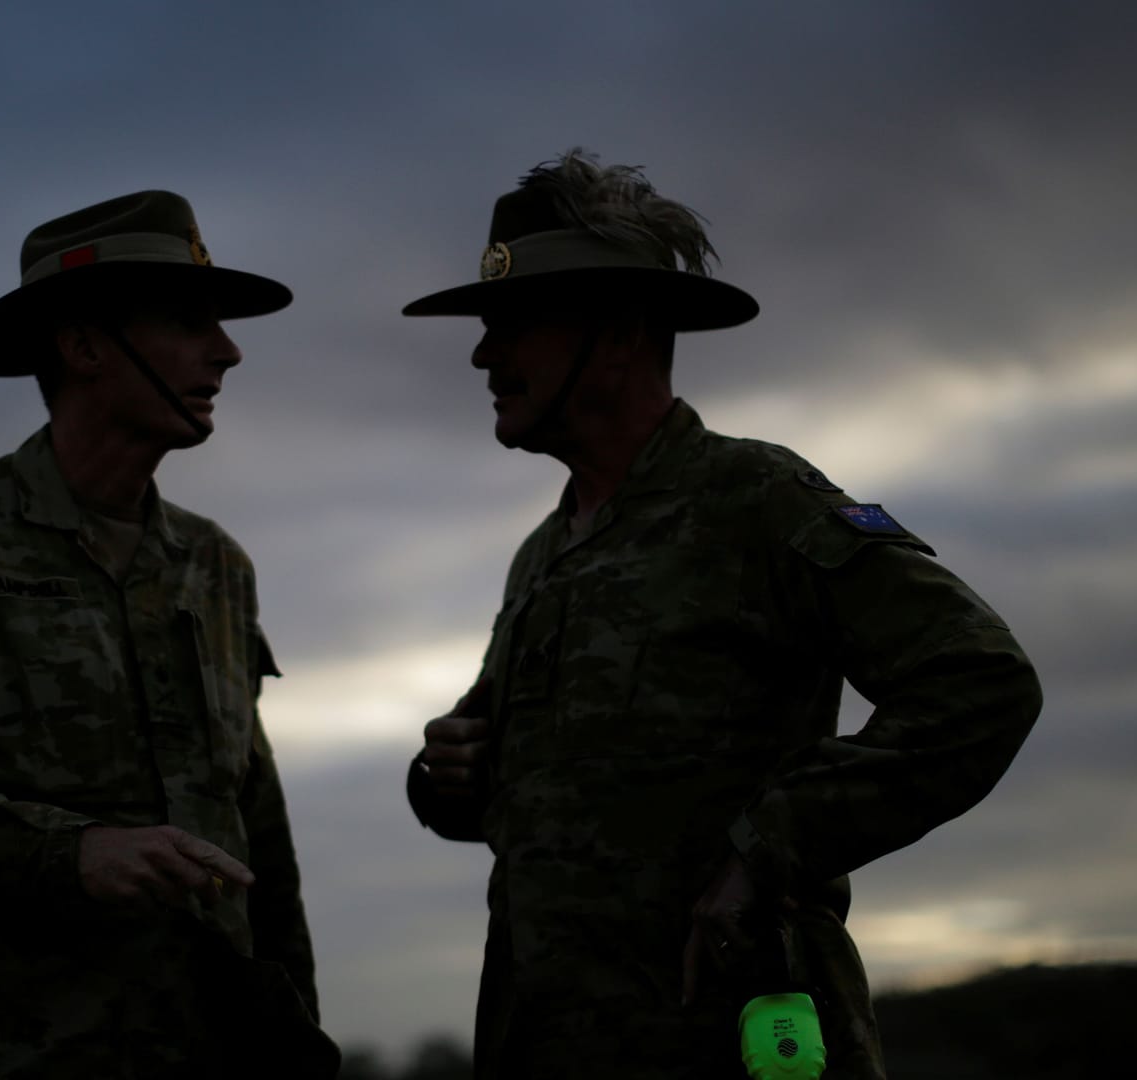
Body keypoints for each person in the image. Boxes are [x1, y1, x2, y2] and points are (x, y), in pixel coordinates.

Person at [401, 150, 1043, 1079]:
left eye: (514, 324)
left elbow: (981, 681)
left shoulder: (757, 500)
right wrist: (446, 778)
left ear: (620, 334)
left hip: (732, 1043)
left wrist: (771, 846)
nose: (483, 353)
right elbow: (528, 794)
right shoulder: (543, 555)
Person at [0, 190, 336, 1079]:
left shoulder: (218, 567)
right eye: (187, 321)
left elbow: (260, 846)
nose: (229, 351)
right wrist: (69, 853)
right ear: (84, 345)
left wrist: (298, 1040)